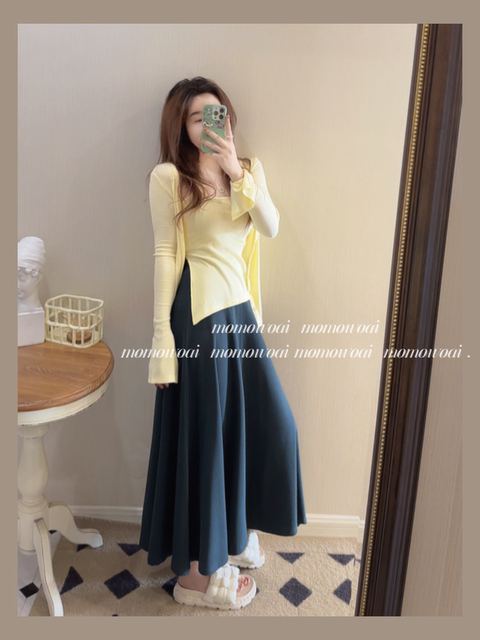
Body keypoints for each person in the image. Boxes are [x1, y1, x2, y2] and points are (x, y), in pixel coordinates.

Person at [139, 77, 307, 611]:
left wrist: (235, 170)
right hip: (199, 318)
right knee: (207, 440)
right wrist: (161, 340)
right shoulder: (169, 177)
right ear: (181, 126)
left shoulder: (247, 171)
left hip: (241, 318)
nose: (212, 123)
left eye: (219, 113)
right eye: (198, 117)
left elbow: (270, 227)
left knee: (268, 426)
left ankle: (231, 534)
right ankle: (197, 576)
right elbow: (166, 254)